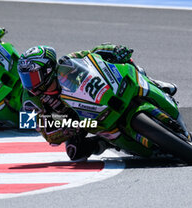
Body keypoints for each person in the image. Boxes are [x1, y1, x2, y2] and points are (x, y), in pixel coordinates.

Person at [17, 43, 177, 162]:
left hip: (97, 97)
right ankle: (106, 142)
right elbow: (41, 128)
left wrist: (114, 49)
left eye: (33, 77)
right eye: (25, 78)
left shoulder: (68, 62)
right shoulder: (29, 100)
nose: (30, 84)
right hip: (80, 122)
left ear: (48, 69)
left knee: (123, 60)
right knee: (75, 153)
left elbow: (94, 53)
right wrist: (65, 125)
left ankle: (151, 83)